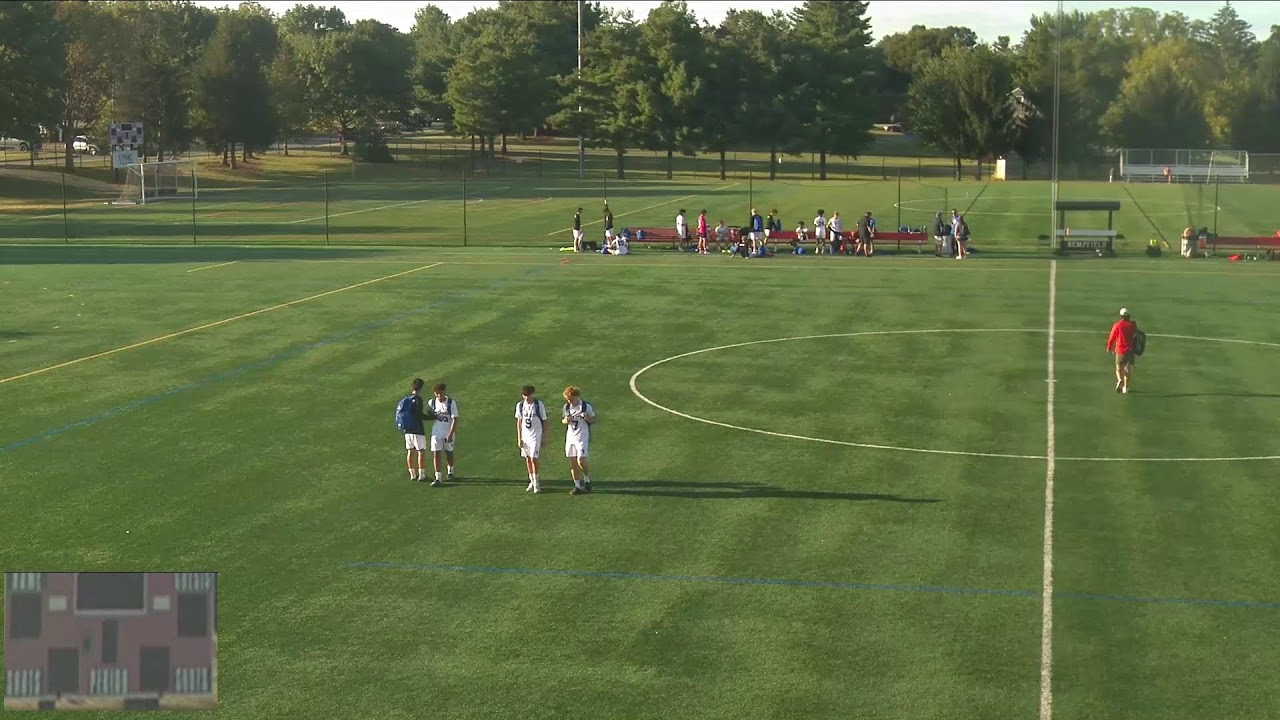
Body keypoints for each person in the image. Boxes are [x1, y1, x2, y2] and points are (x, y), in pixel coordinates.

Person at [561, 386, 597, 495]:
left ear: (576, 396)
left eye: (570, 398)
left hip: (582, 436)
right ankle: (577, 485)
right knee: (572, 462)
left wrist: (587, 418)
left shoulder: (586, 407)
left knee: (580, 460)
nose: (568, 400)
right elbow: (563, 420)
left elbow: (594, 419)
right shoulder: (566, 407)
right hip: (571, 437)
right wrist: (566, 420)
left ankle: (586, 478)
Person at [514, 385, 549, 492]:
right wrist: (519, 438)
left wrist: (544, 437)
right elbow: (519, 422)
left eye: (528, 396)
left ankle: (536, 481)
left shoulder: (538, 405)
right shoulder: (520, 406)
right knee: (528, 458)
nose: (527, 398)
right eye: (525, 396)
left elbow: (545, 421)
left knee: (534, 458)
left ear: (532, 395)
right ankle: (531, 480)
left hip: (535, 436)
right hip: (525, 436)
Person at [425, 383, 459, 485]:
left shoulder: (451, 403)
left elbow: (455, 419)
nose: (439, 396)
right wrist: (434, 416)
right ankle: (438, 477)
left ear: (444, 392)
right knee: (436, 453)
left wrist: (450, 434)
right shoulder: (432, 402)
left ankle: (450, 471)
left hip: (447, 431)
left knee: (449, 452)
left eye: (440, 393)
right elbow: (429, 413)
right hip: (436, 432)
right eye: (437, 394)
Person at [397, 378, 429, 482]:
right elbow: (420, 415)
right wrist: (433, 417)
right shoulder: (418, 399)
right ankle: (422, 474)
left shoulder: (406, 399)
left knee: (410, 451)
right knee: (421, 452)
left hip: (407, 430)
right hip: (417, 429)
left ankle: (412, 473)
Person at [1106, 308, 1138, 394]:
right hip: (1130, 351)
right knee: (1127, 370)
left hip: (1120, 350)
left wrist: (1109, 348)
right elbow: (1136, 336)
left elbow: (1111, 337)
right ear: (1128, 316)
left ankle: (1119, 380)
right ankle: (1125, 388)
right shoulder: (1132, 325)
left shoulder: (1117, 325)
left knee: (1118, 368)